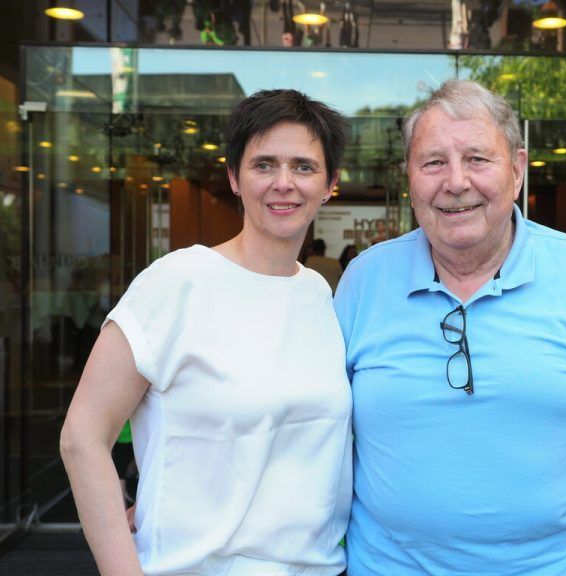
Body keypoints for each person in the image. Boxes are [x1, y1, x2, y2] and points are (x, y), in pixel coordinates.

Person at [334, 79, 566, 575]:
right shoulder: (363, 282)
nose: (455, 182)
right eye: (433, 162)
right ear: (410, 179)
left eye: (478, 159)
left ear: (517, 170)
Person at [61, 89, 352, 576]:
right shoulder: (178, 282)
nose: (284, 183)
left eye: (304, 166)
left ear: (329, 184)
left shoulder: (320, 295)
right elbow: (82, 435)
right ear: (235, 178)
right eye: (264, 165)